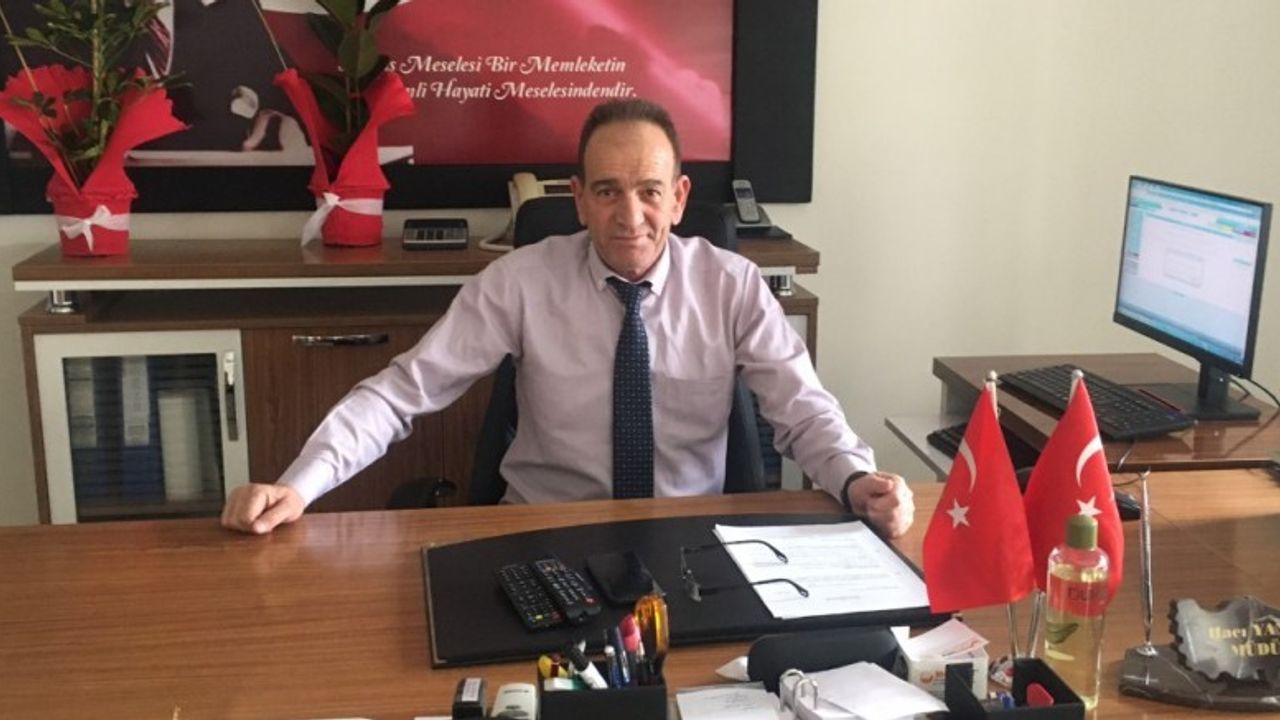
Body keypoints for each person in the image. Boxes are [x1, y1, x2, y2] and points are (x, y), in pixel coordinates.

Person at [221, 99, 914, 537]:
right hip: (542, 531)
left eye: (649, 192)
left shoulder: (732, 286)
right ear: (578, 199)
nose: (630, 216)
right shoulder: (519, 282)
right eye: (607, 191)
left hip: (688, 535)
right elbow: (401, 393)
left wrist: (857, 480)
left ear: (679, 198)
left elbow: (803, 413)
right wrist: (299, 484)